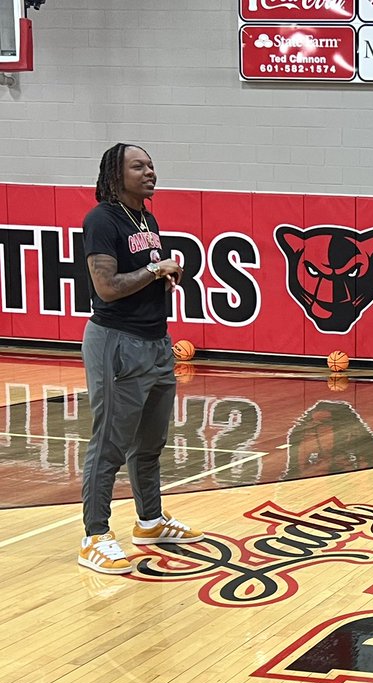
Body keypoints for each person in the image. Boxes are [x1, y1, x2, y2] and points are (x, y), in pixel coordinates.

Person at [79, 143, 203, 574]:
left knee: (149, 445)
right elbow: (108, 287)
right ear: (116, 174)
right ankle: (94, 536)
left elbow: (143, 271)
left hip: (155, 343)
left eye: (151, 164)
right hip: (117, 343)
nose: (150, 171)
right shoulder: (101, 219)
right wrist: (154, 270)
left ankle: (149, 522)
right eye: (139, 166)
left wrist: (165, 274)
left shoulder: (146, 218)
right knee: (109, 445)